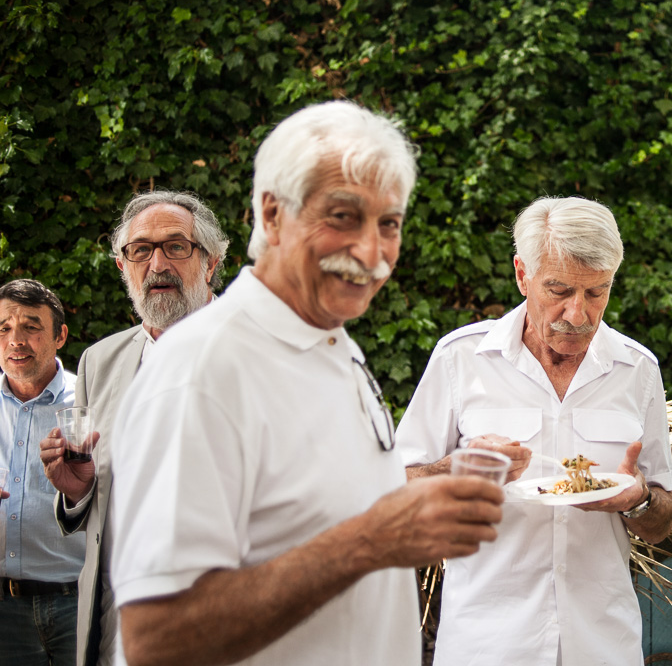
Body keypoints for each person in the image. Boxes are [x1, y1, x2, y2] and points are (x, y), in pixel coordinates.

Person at [106, 100, 504, 666]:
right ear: (271, 216)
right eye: (342, 217)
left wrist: (428, 492)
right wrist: (369, 542)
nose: (371, 252)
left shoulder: (335, 343)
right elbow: (157, 639)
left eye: (388, 223)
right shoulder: (201, 370)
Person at [397, 195, 672, 666]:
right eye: (559, 290)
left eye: (596, 292)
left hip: (602, 646)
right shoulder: (461, 359)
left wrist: (640, 500)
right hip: (486, 646)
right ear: (522, 274)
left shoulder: (638, 369)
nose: (577, 314)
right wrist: (454, 469)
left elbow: (662, 522)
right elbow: (392, 490)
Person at [40, 191, 228, 666]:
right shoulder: (98, 362)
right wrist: (78, 490)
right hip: (117, 627)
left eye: (176, 246)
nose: (157, 263)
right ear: (123, 267)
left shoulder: (261, 351)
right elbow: (94, 499)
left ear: (211, 262)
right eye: (140, 250)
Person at [0, 279, 83, 665]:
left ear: (60, 336)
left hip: (76, 600)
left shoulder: (88, 400)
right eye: (4, 328)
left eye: (31, 327)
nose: (15, 339)